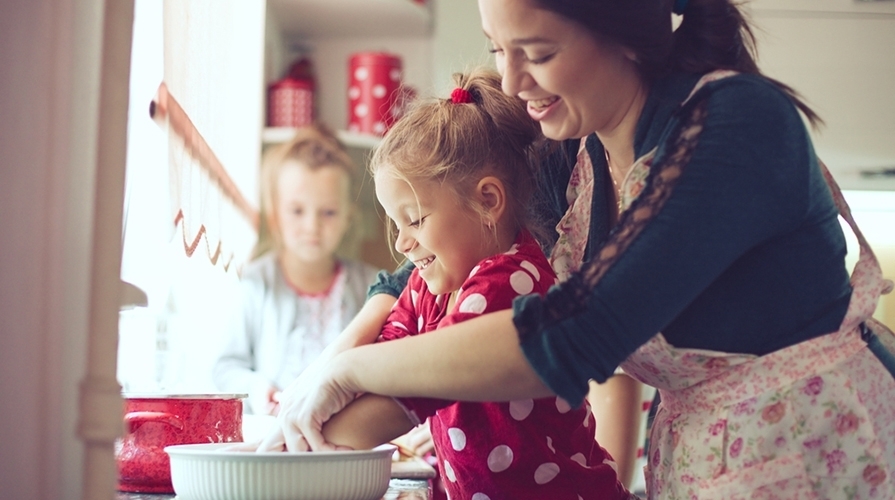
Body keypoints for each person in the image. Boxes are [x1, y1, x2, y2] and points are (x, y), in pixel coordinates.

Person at [267, 0, 895, 498]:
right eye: (497, 49)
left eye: (536, 52)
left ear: (622, 32)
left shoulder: (736, 125)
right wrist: (322, 381)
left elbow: (570, 337)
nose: (512, 81)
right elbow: (420, 263)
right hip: (707, 461)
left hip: (817, 451)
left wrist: (349, 371)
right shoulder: (573, 149)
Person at [310, 68, 632, 500]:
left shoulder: (509, 282)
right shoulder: (431, 286)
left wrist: (301, 436)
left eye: (416, 220)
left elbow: (412, 388)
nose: (403, 243)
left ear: (488, 201)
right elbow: (385, 354)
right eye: (395, 223)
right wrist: (306, 416)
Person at [212, 123, 380, 415]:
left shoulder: (372, 287)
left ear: (347, 217)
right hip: (274, 435)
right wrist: (258, 390)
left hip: (346, 436)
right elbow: (226, 366)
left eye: (328, 212)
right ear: (276, 215)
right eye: (297, 211)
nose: (311, 226)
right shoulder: (256, 282)